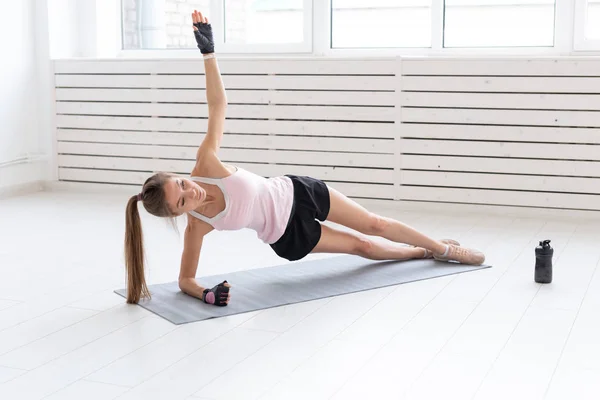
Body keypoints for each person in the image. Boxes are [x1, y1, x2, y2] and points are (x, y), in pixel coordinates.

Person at [124, 10, 485, 307]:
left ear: (178, 175)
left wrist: (208, 54)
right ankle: (419, 254)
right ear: (177, 214)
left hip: (297, 190)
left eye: (182, 185)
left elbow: (218, 105)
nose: (193, 194)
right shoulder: (197, 226)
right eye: (183, 202)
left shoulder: (206, 164)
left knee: (373, 223)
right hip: (288, 235)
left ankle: (444, 249)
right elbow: (185, 278)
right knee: (363, 246)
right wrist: (205, 294)